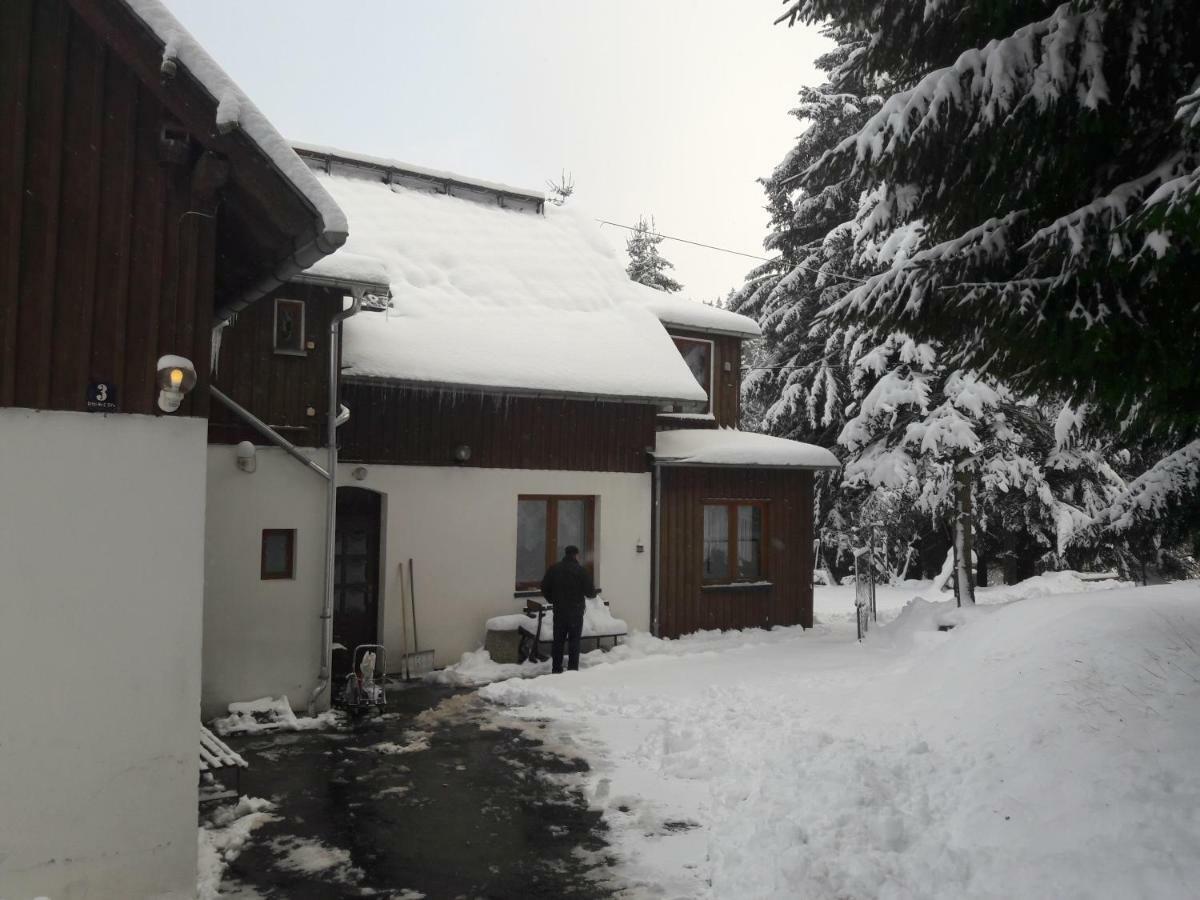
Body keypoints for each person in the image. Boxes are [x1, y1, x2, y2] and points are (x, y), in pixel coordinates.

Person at [539, 545, 597, 673]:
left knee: (558, 641)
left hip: (559, 611)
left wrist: (552, 599)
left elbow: (544, 587)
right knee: (574, 641)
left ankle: (556, 668)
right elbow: (590, 593)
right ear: (576, 555)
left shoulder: (554, 569)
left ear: (565, 554)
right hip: (576, 612)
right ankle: (572, 670)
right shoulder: (581, 571)